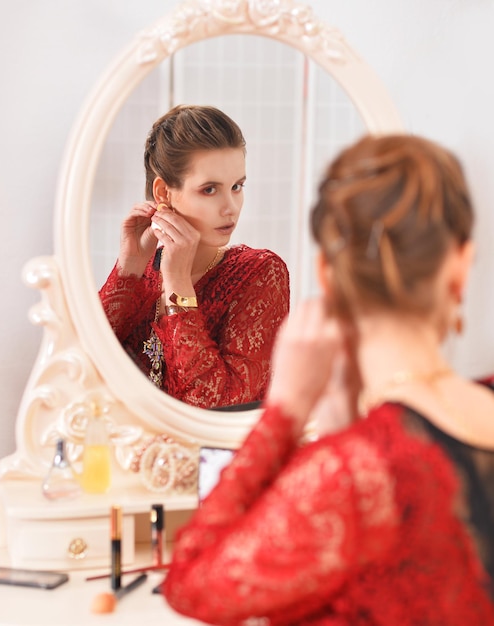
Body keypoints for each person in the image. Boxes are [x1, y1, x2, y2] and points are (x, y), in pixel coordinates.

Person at [162, 134, 494, 624]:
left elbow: (190, 585)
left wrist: (286, 412)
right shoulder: (360, 463)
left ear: (328, 275)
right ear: (460, 267)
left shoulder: (350, 476)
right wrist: (341, 422)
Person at [99, 105, 290, 408]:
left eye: (237, 187)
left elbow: (218, 405)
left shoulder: (261, 272)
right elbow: (84, 368)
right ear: (162, 193)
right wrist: (129, 268)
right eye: (210, 189)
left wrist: (177, 286)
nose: (231, 208)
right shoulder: (144, 268)